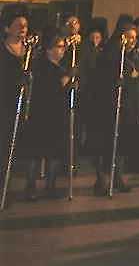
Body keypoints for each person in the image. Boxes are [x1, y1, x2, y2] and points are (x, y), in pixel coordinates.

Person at [91, 18, 139, 196]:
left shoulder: (134, 56)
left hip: (127, 107)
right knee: (106, 144)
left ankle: (117, 176)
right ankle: (101, 179)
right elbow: (102, 80)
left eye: (135, 37)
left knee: (122, 144)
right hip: (109, 107)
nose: (132, 41)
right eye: (129, 37)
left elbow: (138, 83)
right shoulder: (111, 54)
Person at [17, 31, 71, 201]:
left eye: (63, 47)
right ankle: (30, 186)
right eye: (59, 47)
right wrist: (68, 77)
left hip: (57, 114)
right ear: (49, 49)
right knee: (36, 151)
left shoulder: (60, 67)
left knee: (54, 151)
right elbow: (53, 87)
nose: (62, 51)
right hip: (41, 114)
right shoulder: (41, 67)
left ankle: (51, 185)